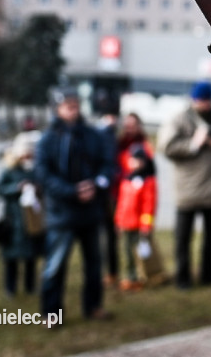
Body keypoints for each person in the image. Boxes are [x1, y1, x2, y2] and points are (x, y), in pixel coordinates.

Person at [35, 88, 115, 323]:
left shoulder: (92, 135)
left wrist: (97, 186)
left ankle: (93, 306)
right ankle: (52, 313)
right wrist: (71, 191)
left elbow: (107, 165)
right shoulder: (48, 139)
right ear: (57, 109)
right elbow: (43, 174)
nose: (74, 108)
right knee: (55, 266)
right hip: (62, 214)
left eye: (76, 104)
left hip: (90, 212)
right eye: (68, 105)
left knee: (94, 264)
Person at [157, 80, 211, 289]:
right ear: (193, 99)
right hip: (187, 188)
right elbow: (166, 146)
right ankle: (183, 277)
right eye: (201, 100)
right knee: (183, 238)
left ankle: (208, 272)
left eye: (208, 100)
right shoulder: (179, 119)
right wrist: (195, 143)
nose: (205, 104)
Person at [0, 131, 43, 297]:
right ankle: (10, 288)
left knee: (31, 257)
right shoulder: (9, 169)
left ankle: (30, 287)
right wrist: (16, 188)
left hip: (31, 219)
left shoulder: (35, 169)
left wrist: (37, 188)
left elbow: (44, 185)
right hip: (13, 220)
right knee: (11, 259)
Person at [114, 112, 158, 291]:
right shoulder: (126, 180)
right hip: (125, 223)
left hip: (139, 224)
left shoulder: (147, 182)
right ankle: (129, 276)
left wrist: (146, 224)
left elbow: (149, 205)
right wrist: (118, 221)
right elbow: (122, 204)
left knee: (141, 252)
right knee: (126, 252)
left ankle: (146, 275)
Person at [93, 90, 121, 289]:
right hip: (105, 191)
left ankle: (113, 270)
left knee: (111, 234)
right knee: (106, 233)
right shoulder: (101, 135)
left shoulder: (110, 134)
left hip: (114, 189)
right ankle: (110, 271)